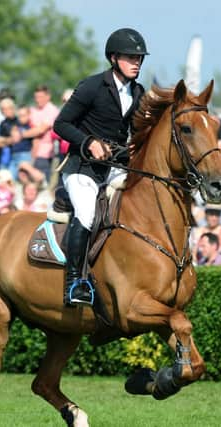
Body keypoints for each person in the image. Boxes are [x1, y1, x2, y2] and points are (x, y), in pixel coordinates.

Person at [53, 27, 147, 306]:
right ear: (114, 58)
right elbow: (60, 124)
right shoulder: (92, 86)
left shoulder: (139, 92)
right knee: (87, 213)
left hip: (116, 169)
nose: (137, 63)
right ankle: (75, 284)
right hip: (83, 168)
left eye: (140, 58)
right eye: (131, 57)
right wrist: (88, 141)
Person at [30, 85, 59, 181]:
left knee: (42, 183)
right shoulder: (33, 110)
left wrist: (21, 135)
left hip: (45, 154)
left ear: (48, 97)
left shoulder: (52, 110)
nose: (38, 100)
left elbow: (41, 130)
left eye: (41, 97)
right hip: (31, 152)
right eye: (36, 97)